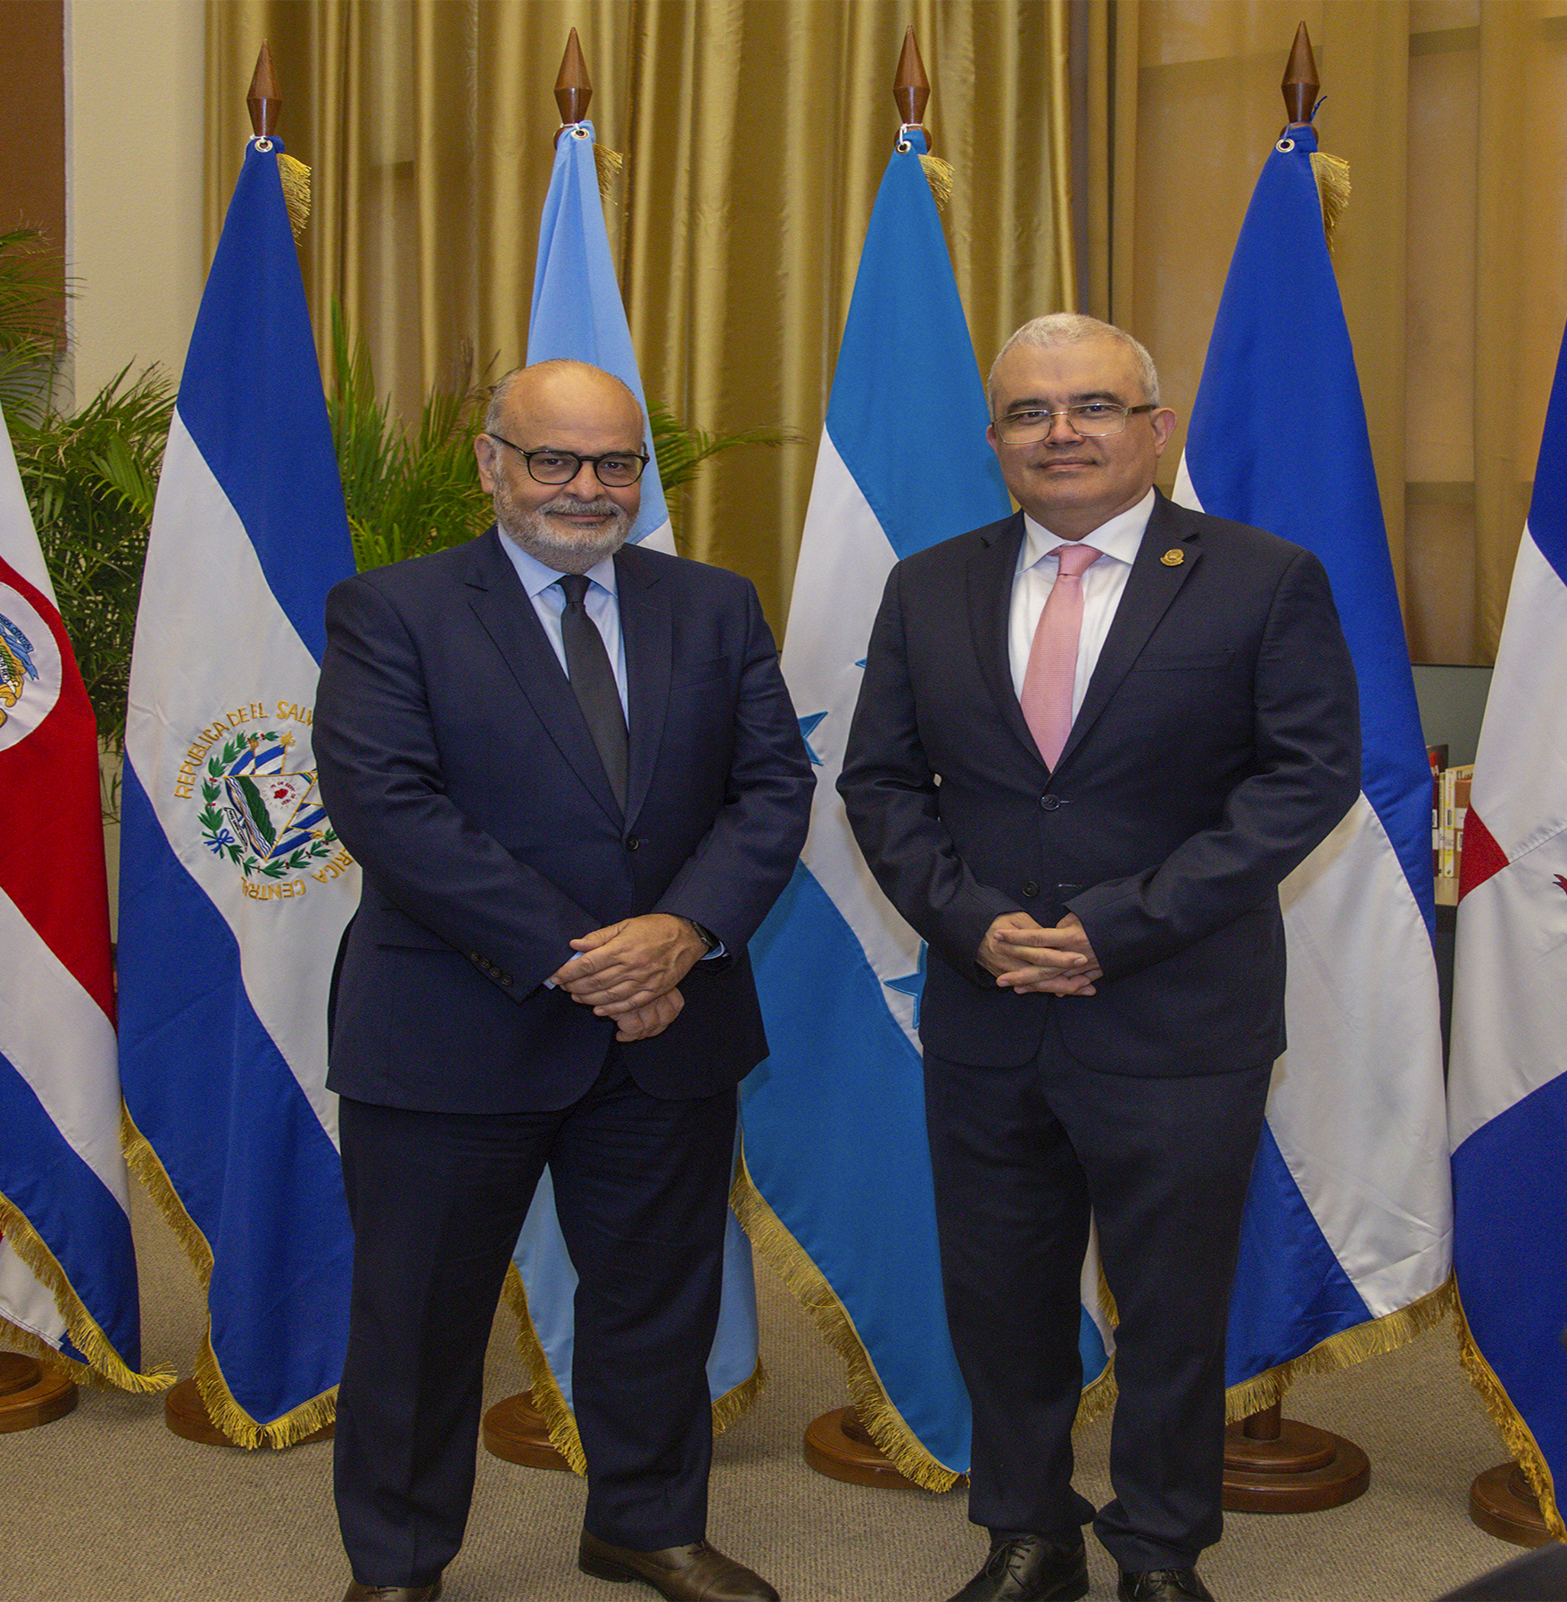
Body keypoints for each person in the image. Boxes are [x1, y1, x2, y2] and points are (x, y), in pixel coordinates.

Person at [839, 315, 1362, 1602]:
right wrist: (970, 922)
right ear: (995, 440)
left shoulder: (1263, 578)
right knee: (1001, 1296)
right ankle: (1029, 1532)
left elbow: (1305, 779)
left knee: (1173, 1308)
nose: (1060, 432)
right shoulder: (929, 586)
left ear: (1156, 429)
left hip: (1177, 1014)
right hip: (989, 1010)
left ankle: (1161, 1549)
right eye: (1029, 411)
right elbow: (881, 783)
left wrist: (1118, 926)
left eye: (1092, 407)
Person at [315, 359, 812, 1602]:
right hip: (451, 1029)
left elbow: (772, 791)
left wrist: (682, 933)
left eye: (616, 463)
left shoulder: (715, 606)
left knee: (659, 1302)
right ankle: (399, 1562)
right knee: (419, 1321)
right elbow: (390, 810)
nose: (587, 487)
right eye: (554, 459)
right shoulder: (391, 610)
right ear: (493, 463)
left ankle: (645, 1525)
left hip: (668, 1030)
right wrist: (593, 961)